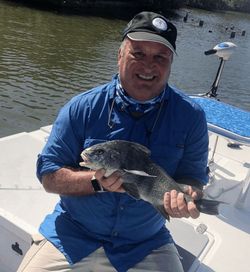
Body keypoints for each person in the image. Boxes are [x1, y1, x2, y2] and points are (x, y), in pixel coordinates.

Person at [18, 11, 208, 272]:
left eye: (160, 57)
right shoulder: (81, 108)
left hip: (146, 242)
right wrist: (95, 182)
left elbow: (193, 177)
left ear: (170, 63)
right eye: (138, 53)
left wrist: (189, 195)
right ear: (119, 56)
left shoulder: (191, 118)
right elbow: (49, 176)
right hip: (72, 236)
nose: (148, 65)